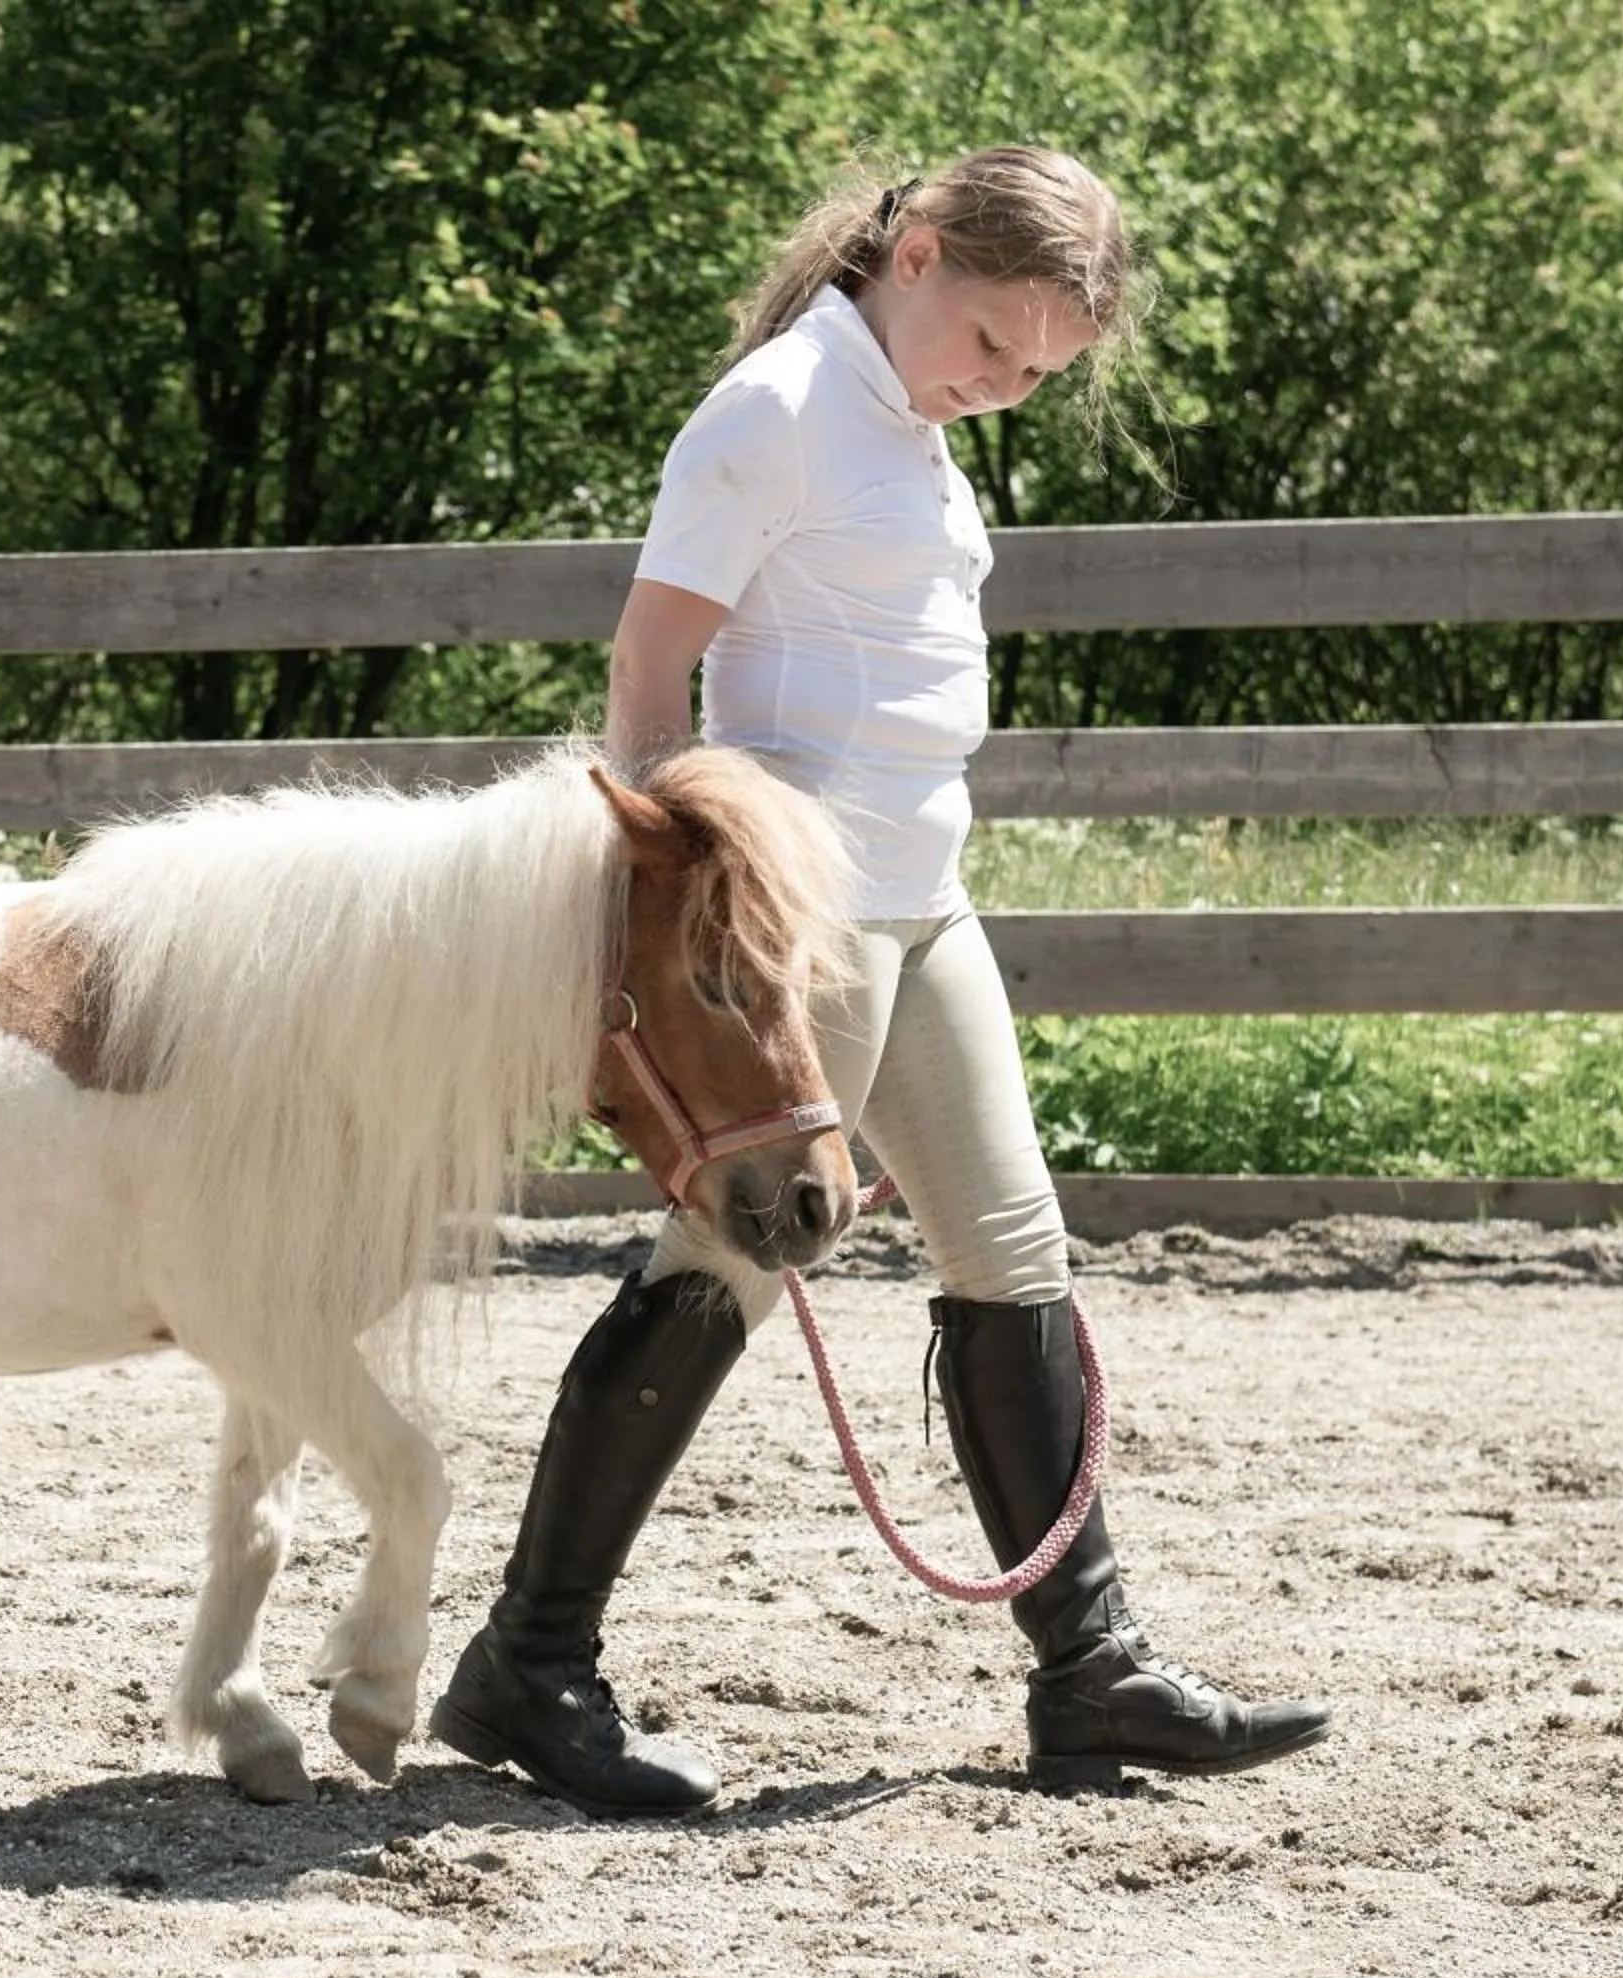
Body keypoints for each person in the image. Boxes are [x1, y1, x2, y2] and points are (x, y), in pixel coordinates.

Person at [428, 145, 1334, 1816]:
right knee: (723, 1265)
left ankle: (1092, 1671)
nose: (1002, 388)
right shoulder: (776, 410)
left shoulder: (911, 433)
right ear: (915, 253)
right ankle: (531, 1664)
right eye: (996, 343)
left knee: (1014, 1254)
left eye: (1036, 375)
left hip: (929, 906)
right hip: (806, 920)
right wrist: (670, 912)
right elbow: (648, 672)